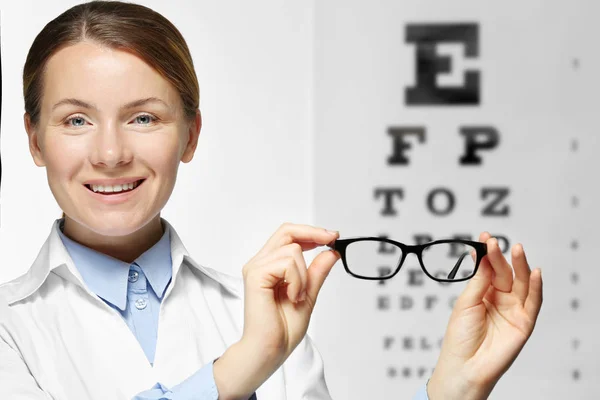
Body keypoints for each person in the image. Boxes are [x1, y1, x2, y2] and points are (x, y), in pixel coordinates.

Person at [0, 1, 543, 399]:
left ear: (189, 136)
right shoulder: (9, 329)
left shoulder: (262, 313)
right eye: (76, 120)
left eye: (143, 117)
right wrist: (239, 370)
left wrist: (454, 390)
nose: (111, 152)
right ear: (34, 140)